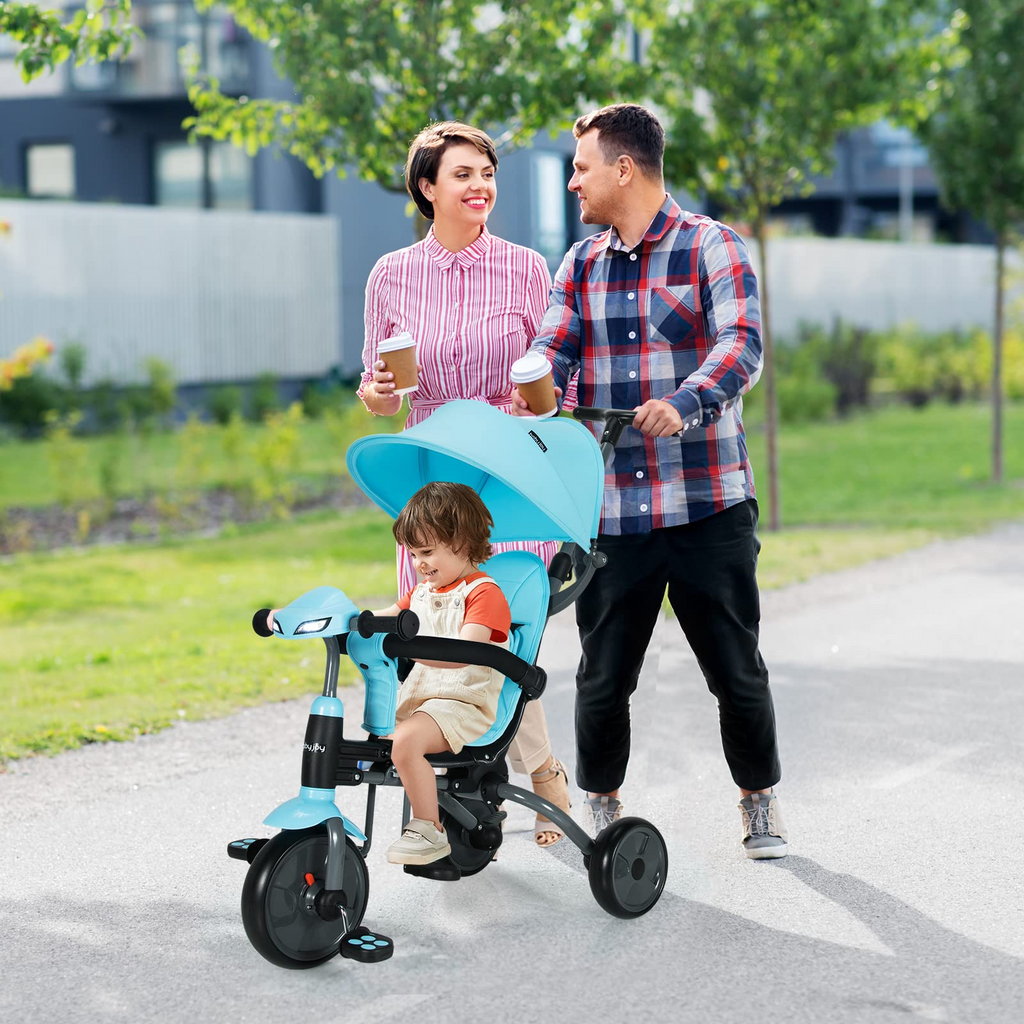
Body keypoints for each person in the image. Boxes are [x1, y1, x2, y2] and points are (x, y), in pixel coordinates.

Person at [511, 103, 787, 859]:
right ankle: (600, 809)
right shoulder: (581, 264)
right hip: (615, 512)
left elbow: (743, 345)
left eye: (581, 166)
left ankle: (759, 800)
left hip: (706, 503)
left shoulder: (713, 247)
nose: (573, 181)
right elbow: (552, 348)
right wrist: (532, 390)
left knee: (736, 672)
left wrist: (685, 401)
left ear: (623, 168)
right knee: (603, 681)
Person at [358, 121, 576, 847]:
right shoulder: (390, 274)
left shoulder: (525, 268)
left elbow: (550, 376)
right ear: (427, 188)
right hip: (429, 472)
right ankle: (453, 790)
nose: (481, 185)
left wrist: (535, 400)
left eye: (487, 172)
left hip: (505, 467)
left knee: (499, 631)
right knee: (431, 631)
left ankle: (539, 774)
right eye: (463, 174)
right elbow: (381, 395)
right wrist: (378, 391)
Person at [368, 482, 511, 865]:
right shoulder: (421, 593)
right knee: (370, 743)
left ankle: (428, 828)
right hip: (424, 701)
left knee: (405, 744)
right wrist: (344, 622)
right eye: (412, 554)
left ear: (463, 542)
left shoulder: (484, 594)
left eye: (427, 552)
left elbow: (467, 650)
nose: (418, 563)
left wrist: (411, 648)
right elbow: (382, 618)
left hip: (462, 702)